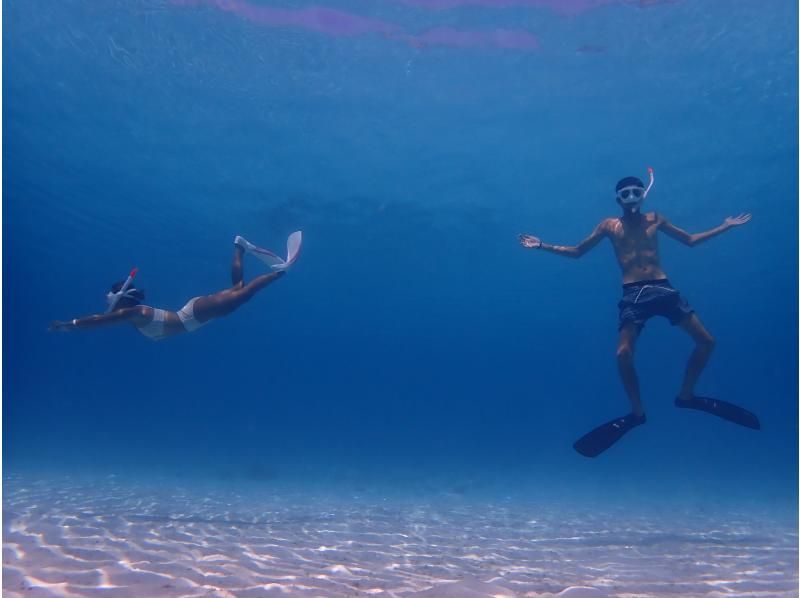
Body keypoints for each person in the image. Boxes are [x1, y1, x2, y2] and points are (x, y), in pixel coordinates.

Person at [519, 170, 758, 457]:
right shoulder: (609, 225)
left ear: (643, 194)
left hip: (663, 289)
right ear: (618, 198)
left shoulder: (656, 218)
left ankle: (686, 396)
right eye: (626, 193)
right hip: (634, 294)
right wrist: (542, 245)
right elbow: (577, 251)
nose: (631, 197)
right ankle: (637, 413)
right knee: (623, 354)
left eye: (636, 192)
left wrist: (725, 226)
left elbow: (691, 240)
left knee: (707, 342)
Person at [49, 234, 301, 341]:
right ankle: (239, 246)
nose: (107, 303)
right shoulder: (131, 315)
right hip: (194, 315)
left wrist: (68, 324)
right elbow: (103, 319)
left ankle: (281, 272)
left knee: (242, 295)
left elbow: (98, 321)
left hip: (192, 315)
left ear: (121, 300)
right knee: (238, 289)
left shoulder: (133, 313)